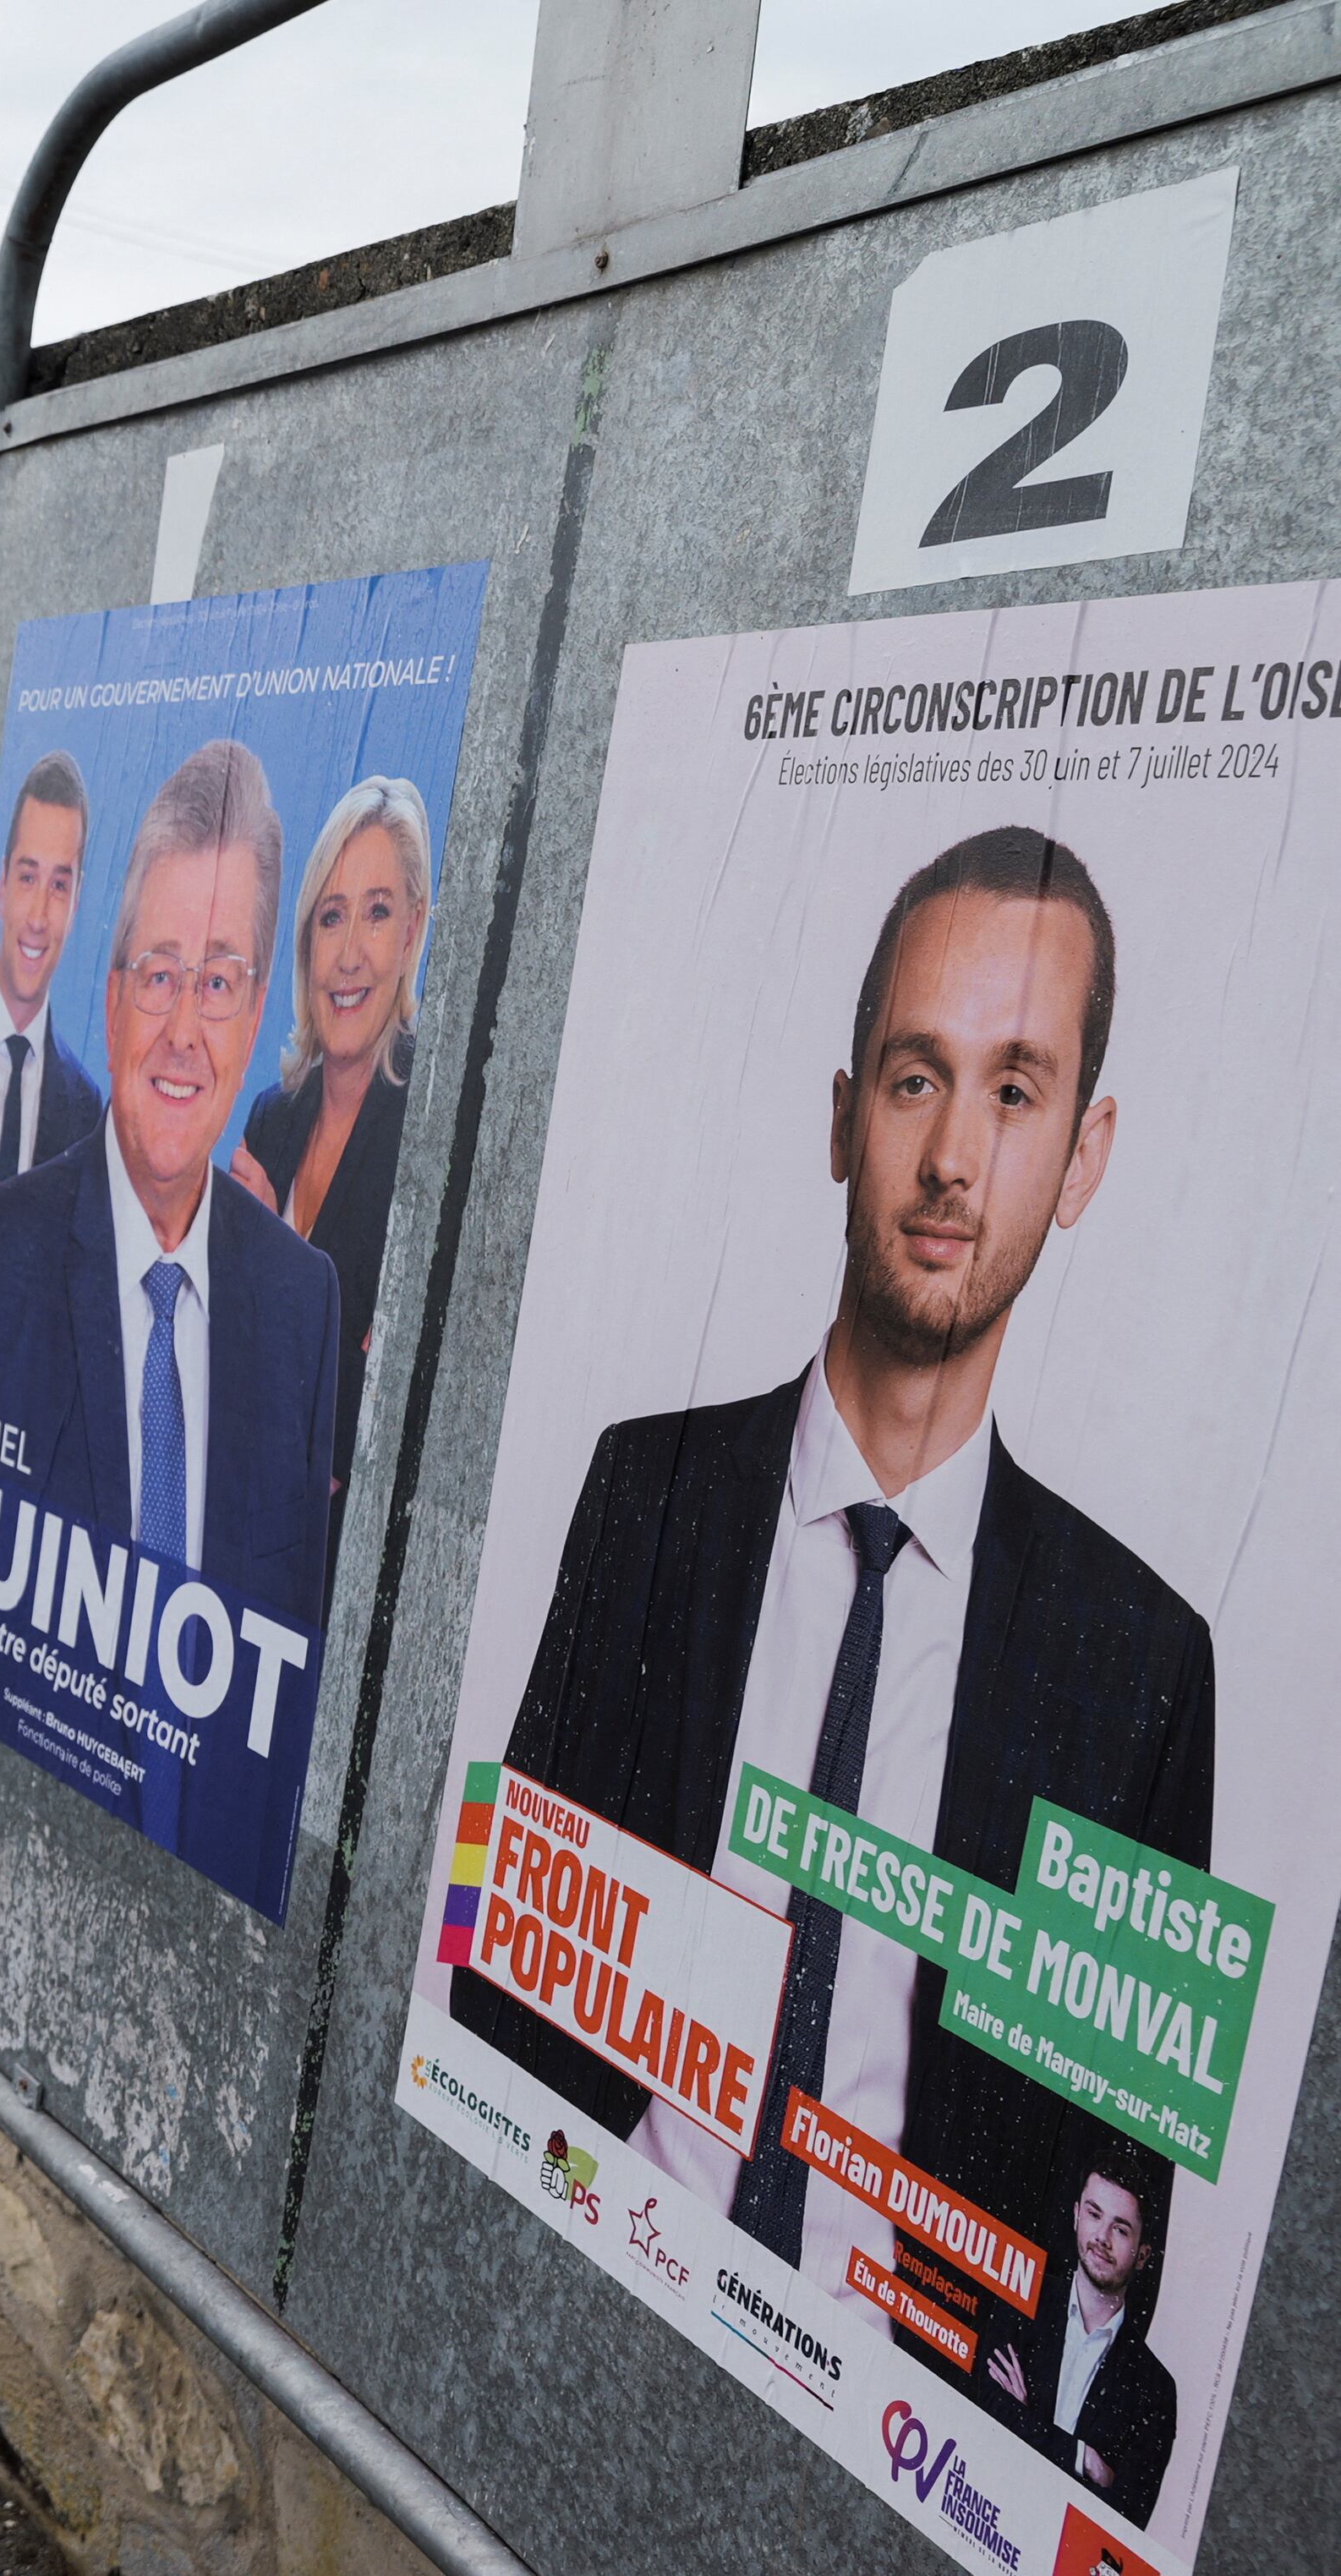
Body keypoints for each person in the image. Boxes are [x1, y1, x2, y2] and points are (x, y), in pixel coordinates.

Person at [453, 825, 1215, 2356]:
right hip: (601, 2280)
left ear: (1086, 1156)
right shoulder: (644, 1498)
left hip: (894, 2408)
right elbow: (511, 1960)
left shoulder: (1142, 1666)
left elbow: (1109, 2194)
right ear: (841, 1114)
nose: (951, 1161)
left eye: (1017, 1090)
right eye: (917, 1077)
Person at [0, 739, 343, 1862]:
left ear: (256, 1011)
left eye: (216, 982)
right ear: (110, 997)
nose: (181, 1031)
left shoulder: (304, 1307)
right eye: (158, 973)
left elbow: (286, 1671)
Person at [230, 778, 434, 1556]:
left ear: (413, 931)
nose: (350, 954)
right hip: (247, 1524)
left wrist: (268, 1270)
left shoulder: (427, 1133)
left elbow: (390, 1417)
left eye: (378, 912)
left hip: (345, 1561)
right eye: (332, 916)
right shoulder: (271, 1120)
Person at [983, 2136, 1180, 2529]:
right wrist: (1082, 2458)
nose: (1102, 2239)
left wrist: (1027, 2420)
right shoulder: (1020, 2299)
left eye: (1121, 2230)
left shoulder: (1156, 2390)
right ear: (1076, 2216)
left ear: (1142, 2255)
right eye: (1094, 2214)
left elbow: (1125, 2519)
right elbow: (983, 2413)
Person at [0, 753, 107, 1219]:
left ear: (76, 902)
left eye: (59, 886)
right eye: (28, 877)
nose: (38, 917)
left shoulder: (84, 1104)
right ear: (1, 884)